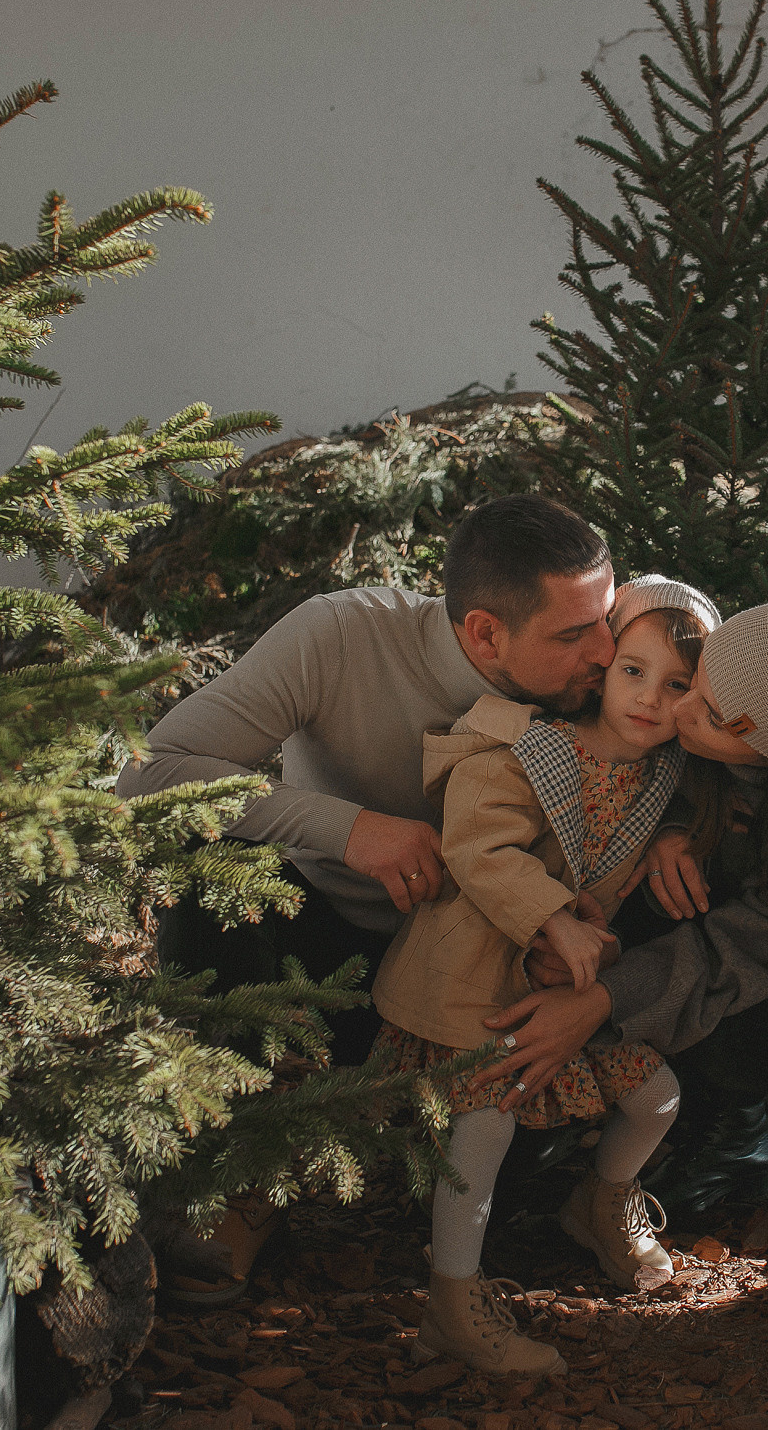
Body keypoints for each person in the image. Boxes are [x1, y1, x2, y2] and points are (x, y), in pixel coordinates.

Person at [114, 493, 621, 1303]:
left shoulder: (609, 677)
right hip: (325, 934)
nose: (605, 649)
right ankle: (224, 1173)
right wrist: (346, 828)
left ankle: (587, 1186)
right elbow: (149, 775)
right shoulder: (343, 636)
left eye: (608, 616)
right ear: (485, 631)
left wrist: (607, 992)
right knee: (203, 849)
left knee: (505, 1200)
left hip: (490, 976)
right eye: (572, 634)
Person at [478, 586, 768, 1203]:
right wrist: (677, 828)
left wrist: (603, 1002)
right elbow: (650, 604)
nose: (678, 710)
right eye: (694, 681)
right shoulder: (725, 702)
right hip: (746, 931)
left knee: (756, 1019)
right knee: (661, 902)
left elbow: (760, 947)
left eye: (713, 713)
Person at [370, 577, 720, 1375]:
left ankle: (600, 1204)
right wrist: (552, 916)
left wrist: (673, 839)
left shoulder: (666, 779)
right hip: (474, 971)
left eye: (675, 687)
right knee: (485, 1123)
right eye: (632, 671)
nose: (647, 698)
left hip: (564, 988)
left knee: (656, 1096)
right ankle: (450, 1302)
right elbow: (477, 846)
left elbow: (670, 824)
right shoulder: (529, 747)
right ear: (603, 666)